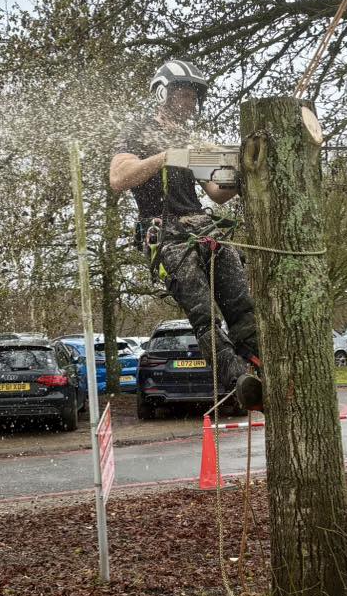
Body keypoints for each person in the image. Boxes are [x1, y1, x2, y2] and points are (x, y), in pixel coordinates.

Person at [110, 59, 262, 409]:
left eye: (194, 97)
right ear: (164, 93)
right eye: (184, 94)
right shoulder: (139, 132)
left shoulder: (189, 140)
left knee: (240, 303)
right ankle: (236, 378)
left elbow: (217, 192)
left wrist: (240, 172)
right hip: (164, 232)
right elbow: (119, 178)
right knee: (203, 312)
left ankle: (259, 363)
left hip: (201, 225)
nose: (190, 102)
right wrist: (165, 156)